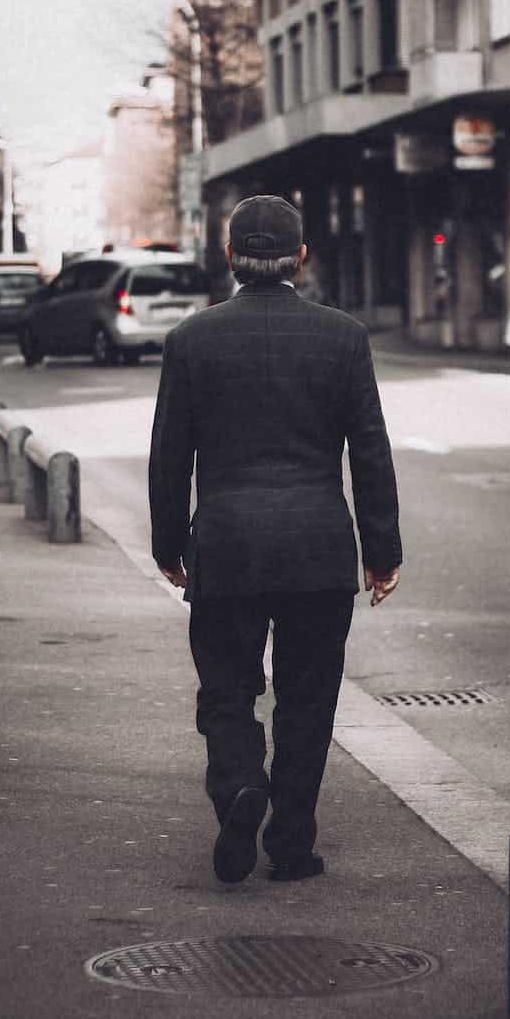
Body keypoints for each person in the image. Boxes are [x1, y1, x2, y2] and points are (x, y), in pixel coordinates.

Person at [148, 195, 402, 885]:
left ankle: (236, 783)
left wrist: (168, 545)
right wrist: (383, 552)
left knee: (226, 689)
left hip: (227, 547)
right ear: (303, 258)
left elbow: (170, 455)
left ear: (229, 258)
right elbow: (370, 452)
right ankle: (291, 842)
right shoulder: (343, 337)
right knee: (307, 699)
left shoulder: (191, 340)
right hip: (318, 550)